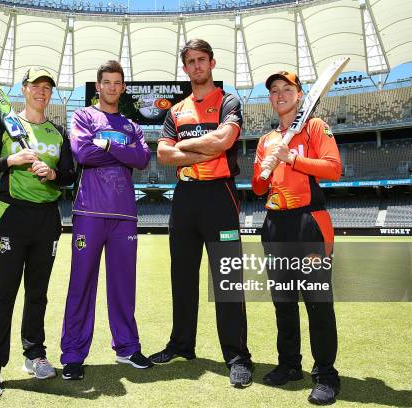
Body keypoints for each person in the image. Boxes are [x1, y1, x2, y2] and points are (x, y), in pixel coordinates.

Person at [149, 39, 253, 388]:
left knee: (227, 278)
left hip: (219, 196)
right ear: (185, 68)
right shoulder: (176, 111)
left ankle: (237, 356)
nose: (196, 66)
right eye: (190, 61)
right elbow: (163, 156)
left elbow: (223, 141)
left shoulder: (228, 100)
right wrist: (198, 148)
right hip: (185, 198)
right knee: (182, 275)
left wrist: (182, 145)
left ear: (212, 62)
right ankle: (181, 345)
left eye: (201, 60)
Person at [0, 67, 75, 398]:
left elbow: (71, 174)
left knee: (37, 293)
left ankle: (34, 355)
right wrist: (11, 160)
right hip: (13, 217)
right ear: (24, 89)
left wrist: (53, 173)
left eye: (47, 87)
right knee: (2, 294)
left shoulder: (59, 132)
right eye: (36, 86)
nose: (41, 92)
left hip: (47, 219)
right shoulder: (4, 124)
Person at [251, 71, 342, 405]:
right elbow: (259, 187)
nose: (279, 94)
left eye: (287, 89)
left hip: (309, 223)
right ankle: (289, 365)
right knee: (283, 302)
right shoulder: (265, 140)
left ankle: (326, 375)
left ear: (300, 95)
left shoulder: (315, 128)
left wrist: (292, 158)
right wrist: (265, 168)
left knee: (318, 302)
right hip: (275, 223)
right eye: (274, 91)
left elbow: (334, 169)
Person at [60, 60, 153, 380]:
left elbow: (141, 159)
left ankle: (127, 347)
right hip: (89, 212)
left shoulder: (132, 126)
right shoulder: (84, 116)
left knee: (124, 286)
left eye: (118, 82)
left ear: (123, 87)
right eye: (107, 82)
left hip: (124, 215)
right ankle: (73, 354)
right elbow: (82, 154)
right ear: (97, 86)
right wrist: (122, 150)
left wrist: (109, 144)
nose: (113, 87)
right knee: (81, 285)